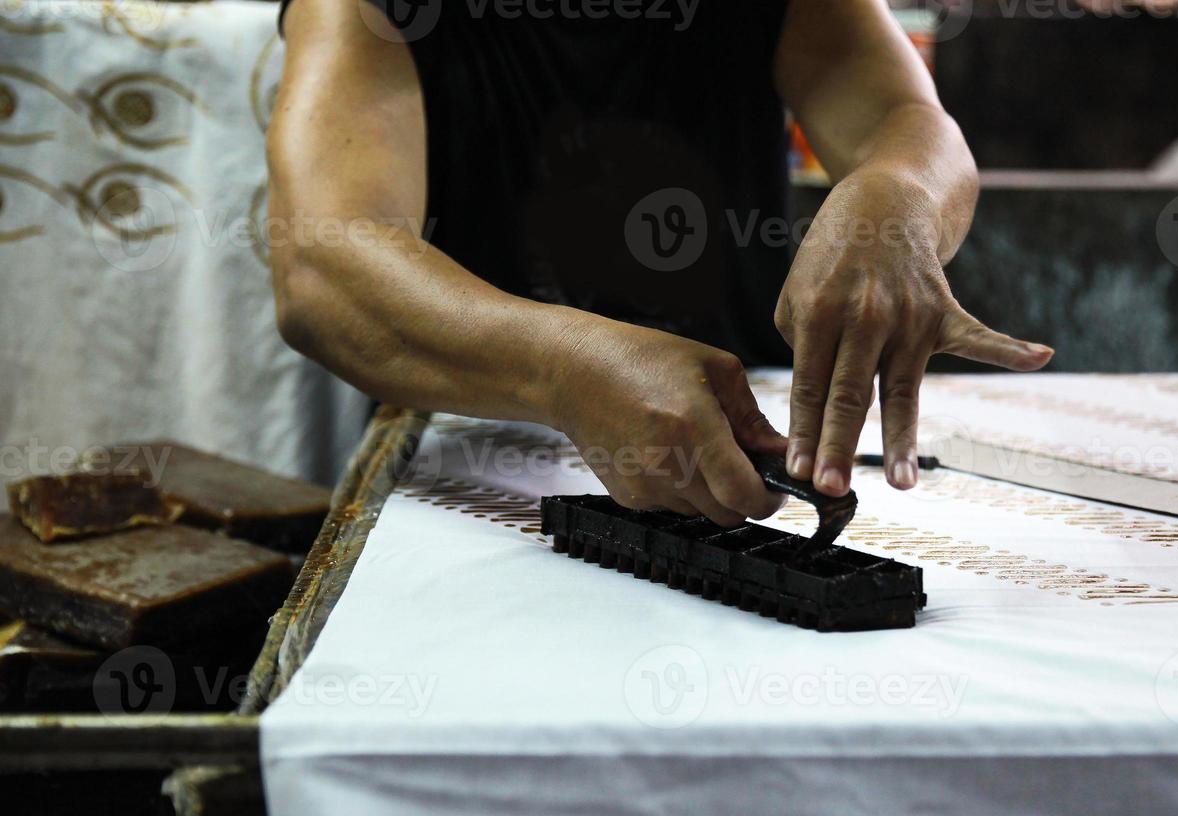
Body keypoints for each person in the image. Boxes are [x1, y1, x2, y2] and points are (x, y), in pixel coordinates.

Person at [267, 0, 1053, 526]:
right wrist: (563, 369)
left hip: (751, 428)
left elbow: (907, 119)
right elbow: (323, 261)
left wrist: (898, 194)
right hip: (479, 424)